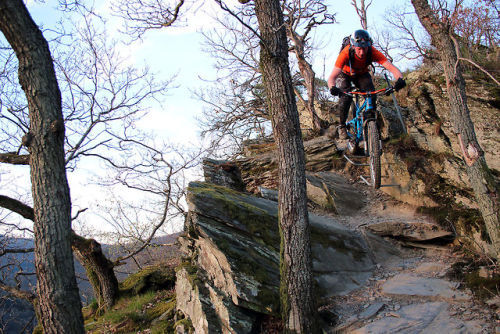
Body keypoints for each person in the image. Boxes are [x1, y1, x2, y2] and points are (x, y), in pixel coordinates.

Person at [327, 29, 406, 139]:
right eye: (359, 49)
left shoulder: (372, 52)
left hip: (362, 74)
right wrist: (332, 87)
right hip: (345, 74)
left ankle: (371, 123)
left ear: (368, 45)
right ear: (354, 46)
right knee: (345, 98)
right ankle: (342, 126)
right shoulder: (345, 53)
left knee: (371, 94)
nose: (362, 52)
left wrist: (399, 79)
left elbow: (391, 68)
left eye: (364, 48)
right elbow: (332, 77)